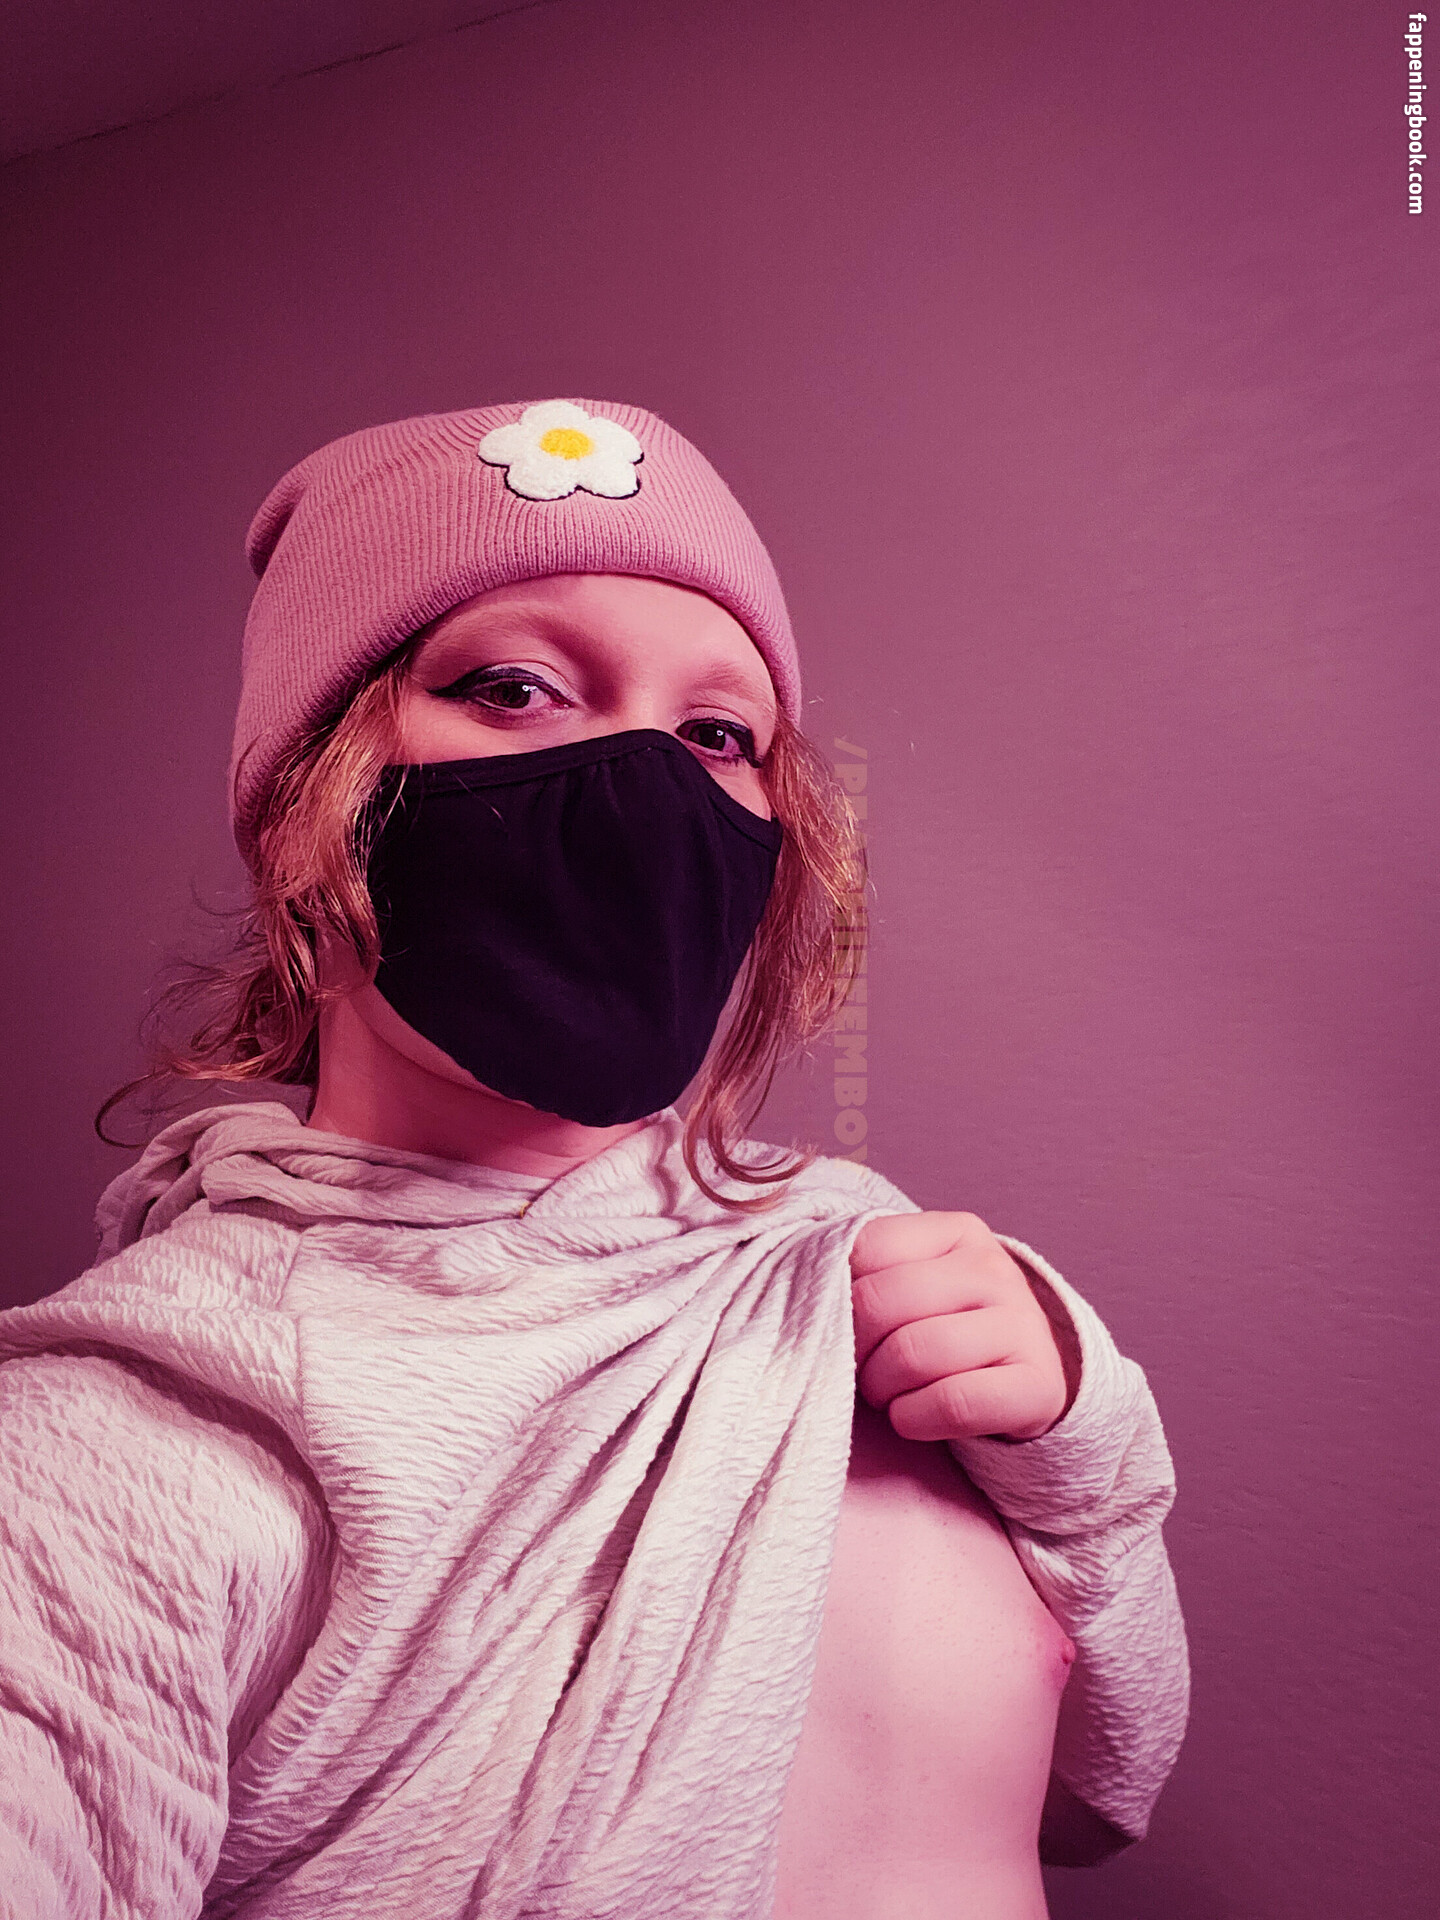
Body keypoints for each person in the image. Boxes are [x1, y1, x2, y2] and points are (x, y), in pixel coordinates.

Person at [0, 399, 1189, 1919]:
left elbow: (1101, 1796)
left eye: (716, 733)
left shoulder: (845, 1253)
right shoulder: (117, 1449)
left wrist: (1082, 1452)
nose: (644, 782)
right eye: (515, 688)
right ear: (306, 801)